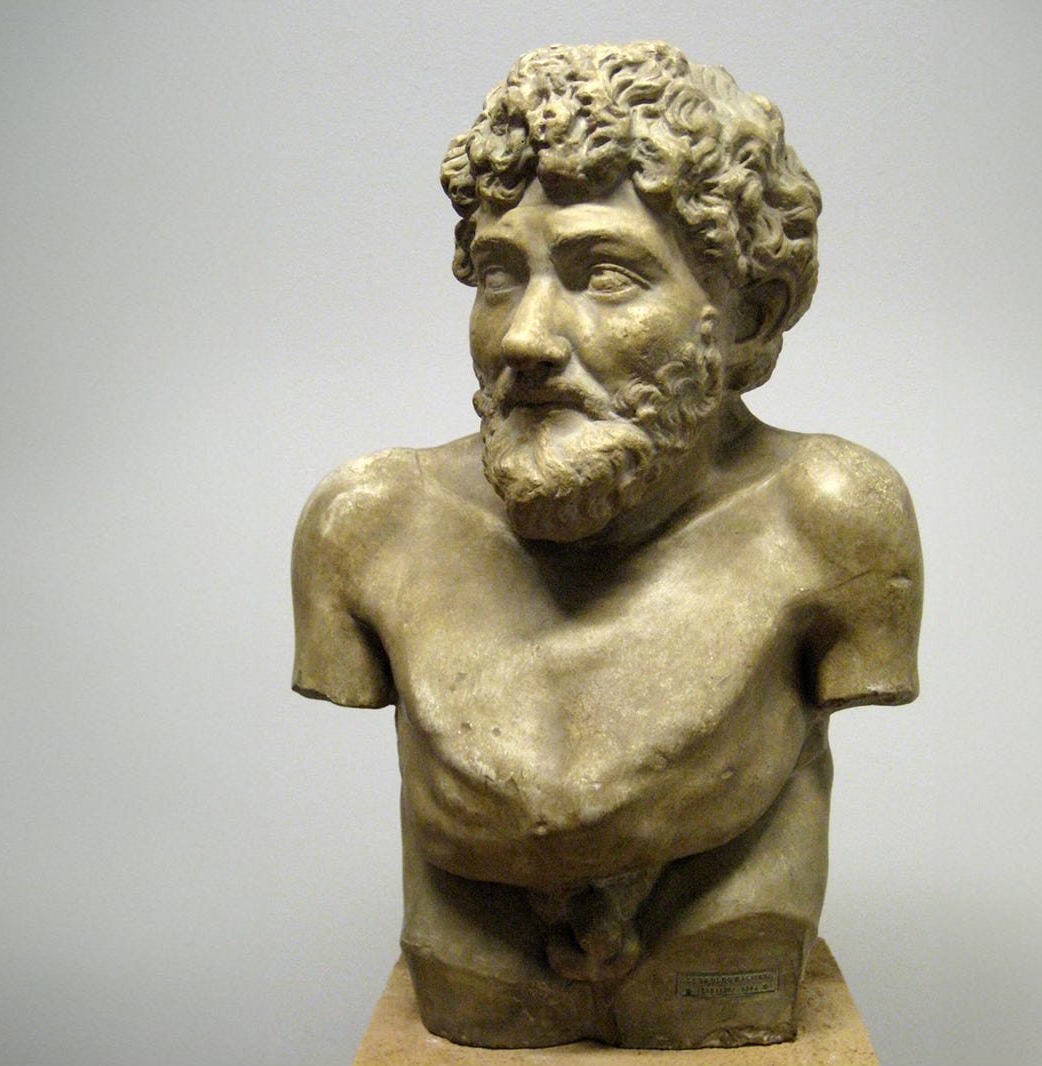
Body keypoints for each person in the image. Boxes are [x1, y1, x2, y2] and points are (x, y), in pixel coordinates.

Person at [291, 41, 921, 1049]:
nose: (527, 338)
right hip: (468, 956)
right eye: (500, 275)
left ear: (748, 317)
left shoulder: (833, 520)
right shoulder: (367, 524)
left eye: (607, 276)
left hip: (729, 943)